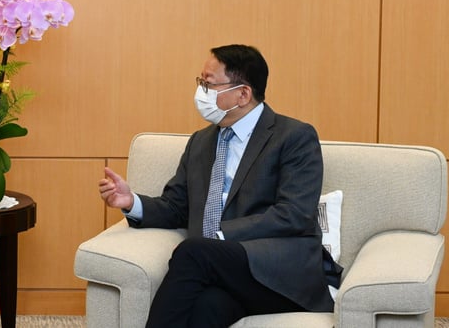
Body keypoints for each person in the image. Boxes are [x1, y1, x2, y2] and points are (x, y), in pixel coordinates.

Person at [98, 44, 339, 328]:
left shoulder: (294, 137)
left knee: (193, 251)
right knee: (207, 308)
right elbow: (177, 206)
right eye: (200, 82)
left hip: (279, 272)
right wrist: (131, 202)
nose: (201, 92)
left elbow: (294, 214)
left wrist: (220, 235)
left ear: (243, 94)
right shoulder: (201, 142)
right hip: (225, 275)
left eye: (208, 84)